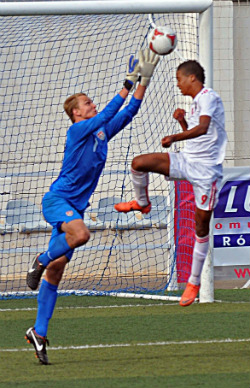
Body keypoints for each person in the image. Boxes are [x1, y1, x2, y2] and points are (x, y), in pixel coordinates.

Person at [25, 49, 160, 365]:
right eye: (86, 103)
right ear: (76, 113)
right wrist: (128, 80)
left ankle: (39, 332)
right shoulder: (77, 130)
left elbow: (128, 113)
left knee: (56, 274)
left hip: (75, 208)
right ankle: (40, 260)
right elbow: (109, 112)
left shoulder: (98, 133)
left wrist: (145, 77)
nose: (92, 105)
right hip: (58, 201)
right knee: (82, 235)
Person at [114, 60, 227, 307]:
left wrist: (176, 134)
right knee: (139, 162)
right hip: (186, 161)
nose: (177, 84)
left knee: (201, 226)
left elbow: (205, 128)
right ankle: (142, 203)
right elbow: (200, 138)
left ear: (192, 78)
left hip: (206, 173)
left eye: (179, 79)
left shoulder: (209, 97)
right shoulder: (197, 103)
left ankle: (194, 281)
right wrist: (183, 123)